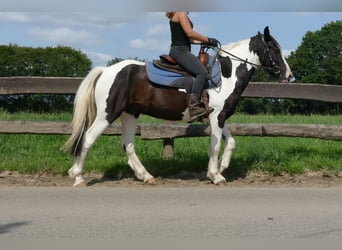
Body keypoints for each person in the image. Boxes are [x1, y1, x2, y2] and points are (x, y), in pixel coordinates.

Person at [166, 12, 219, 122]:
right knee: (202, 72)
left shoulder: (178, 13)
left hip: (181, 49)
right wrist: (207, 39)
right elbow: (190, 33)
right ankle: (194, 106)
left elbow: (188, 39)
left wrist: (204, 42)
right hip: (180, 51)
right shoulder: (181, 12)